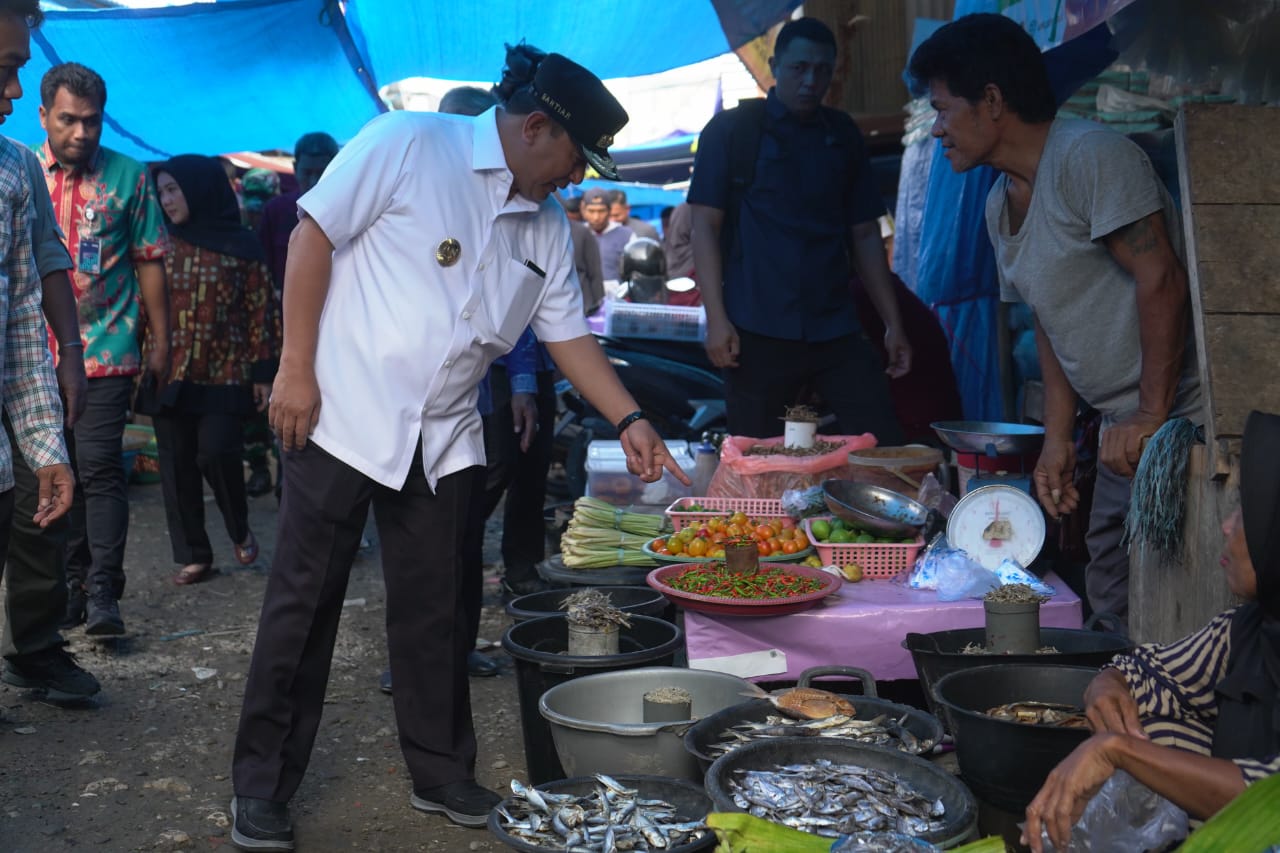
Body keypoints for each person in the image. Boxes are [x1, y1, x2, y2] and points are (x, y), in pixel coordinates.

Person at [230, 50, 688, 850]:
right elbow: (313, 238)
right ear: (536, 127)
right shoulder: (407, 143)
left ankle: (441, 770)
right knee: (304, 607)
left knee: (440, 610)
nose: (577, 179)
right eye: (576, 159)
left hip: (444, 437)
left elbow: (567, 336)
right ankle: (262, 785)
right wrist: (295, 367)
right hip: (342, 415)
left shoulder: (545, 225)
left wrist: (628, 418)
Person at [909, 14, 1201, 630]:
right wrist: (1059, 439)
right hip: (1126, 426)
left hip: (1185, 418)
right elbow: (1050, 316)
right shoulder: (998, 204)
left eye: (942, 109)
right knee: (1110, 586)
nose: (936, 130)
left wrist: (1150, 414)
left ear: (991, 101)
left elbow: (1162, 280)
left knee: (1180, 596)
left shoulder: (1090, 158)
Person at [1022, 409, 1280, 852]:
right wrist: (1109, 683)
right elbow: (1149, 672)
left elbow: (1270, 796)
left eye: (1246, 513)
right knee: (1145, 725)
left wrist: (1116, 751)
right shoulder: (1247, 631)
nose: (1227, 524)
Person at [689, 17, 910, 441]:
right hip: (756, 330)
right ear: (774, 66)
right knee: (756, 459)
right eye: (798, 68)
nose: (811, 80)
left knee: (880, 443)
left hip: (835, 328)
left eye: (822, 70)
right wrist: (716, 320)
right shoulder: (732, 132)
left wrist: (892, 323)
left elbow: (865, 234)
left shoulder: (842, 134)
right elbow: (704, 227)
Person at [35, 61, 170, 636]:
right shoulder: (21, 174)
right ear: (44, 116)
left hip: (106, 352)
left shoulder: (129, 177)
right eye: (68, 120)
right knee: (51, 472)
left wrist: (162, 340)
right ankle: (69, 586)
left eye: (91, 121)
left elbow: (150, 262)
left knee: (99, 471)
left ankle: (103, 596)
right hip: (33, 357)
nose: (81, 133)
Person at [0, 0, 86, 703]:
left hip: (23, 385)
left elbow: (33, 291)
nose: (16, 91)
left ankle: (36, 645)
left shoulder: (13, 173)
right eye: (6, 71)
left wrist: (70, 358)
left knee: (35, 510)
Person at [142, 155, 277, 587]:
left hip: (225, 369)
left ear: (199, 189)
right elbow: (141, 303)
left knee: (217, 451)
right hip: (169, 368)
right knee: (176, 463)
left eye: (173, 189)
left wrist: (263, 372)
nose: (166, 200)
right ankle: (195, 554)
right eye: (161, 191)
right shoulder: (157, 242)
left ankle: (238, 525)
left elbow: (261, 311)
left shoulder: (243, 245)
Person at [254, 132, 339, 501]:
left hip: (338, 333)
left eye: (325, 171)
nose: (316, 181)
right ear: (295, 170)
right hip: (283, 331)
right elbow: (262, 272)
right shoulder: (277, 211)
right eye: (308, 173)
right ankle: (289, 479)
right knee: (288, 404)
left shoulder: (356, 210)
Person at [580, 186, 632, 287]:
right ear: (583, 210)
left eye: (601, 211)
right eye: (591, 211)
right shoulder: (577, 234)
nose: (596, 217)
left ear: (609, 210)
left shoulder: (627, 235)